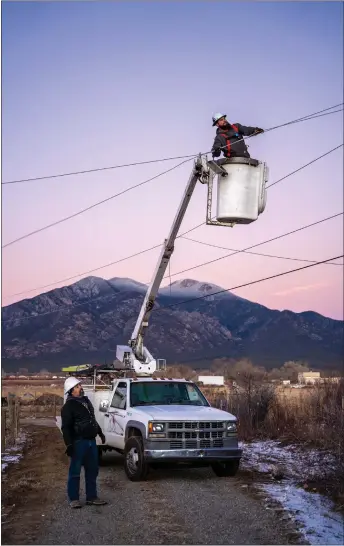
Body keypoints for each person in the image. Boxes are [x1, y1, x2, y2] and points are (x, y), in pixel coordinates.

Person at [61, 376, 107, 508]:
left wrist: (99, 432)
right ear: (71, 391)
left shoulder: (86, 401)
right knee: (75, 471)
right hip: (78, 442)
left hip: (91, 442)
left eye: (79, 385)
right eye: (77, 386)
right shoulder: (68, 407)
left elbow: (92, 419)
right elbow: (66, 427)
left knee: (92, 470)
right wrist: (69, 444)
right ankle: (73, 499)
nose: (80, 388)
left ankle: (91, 497)